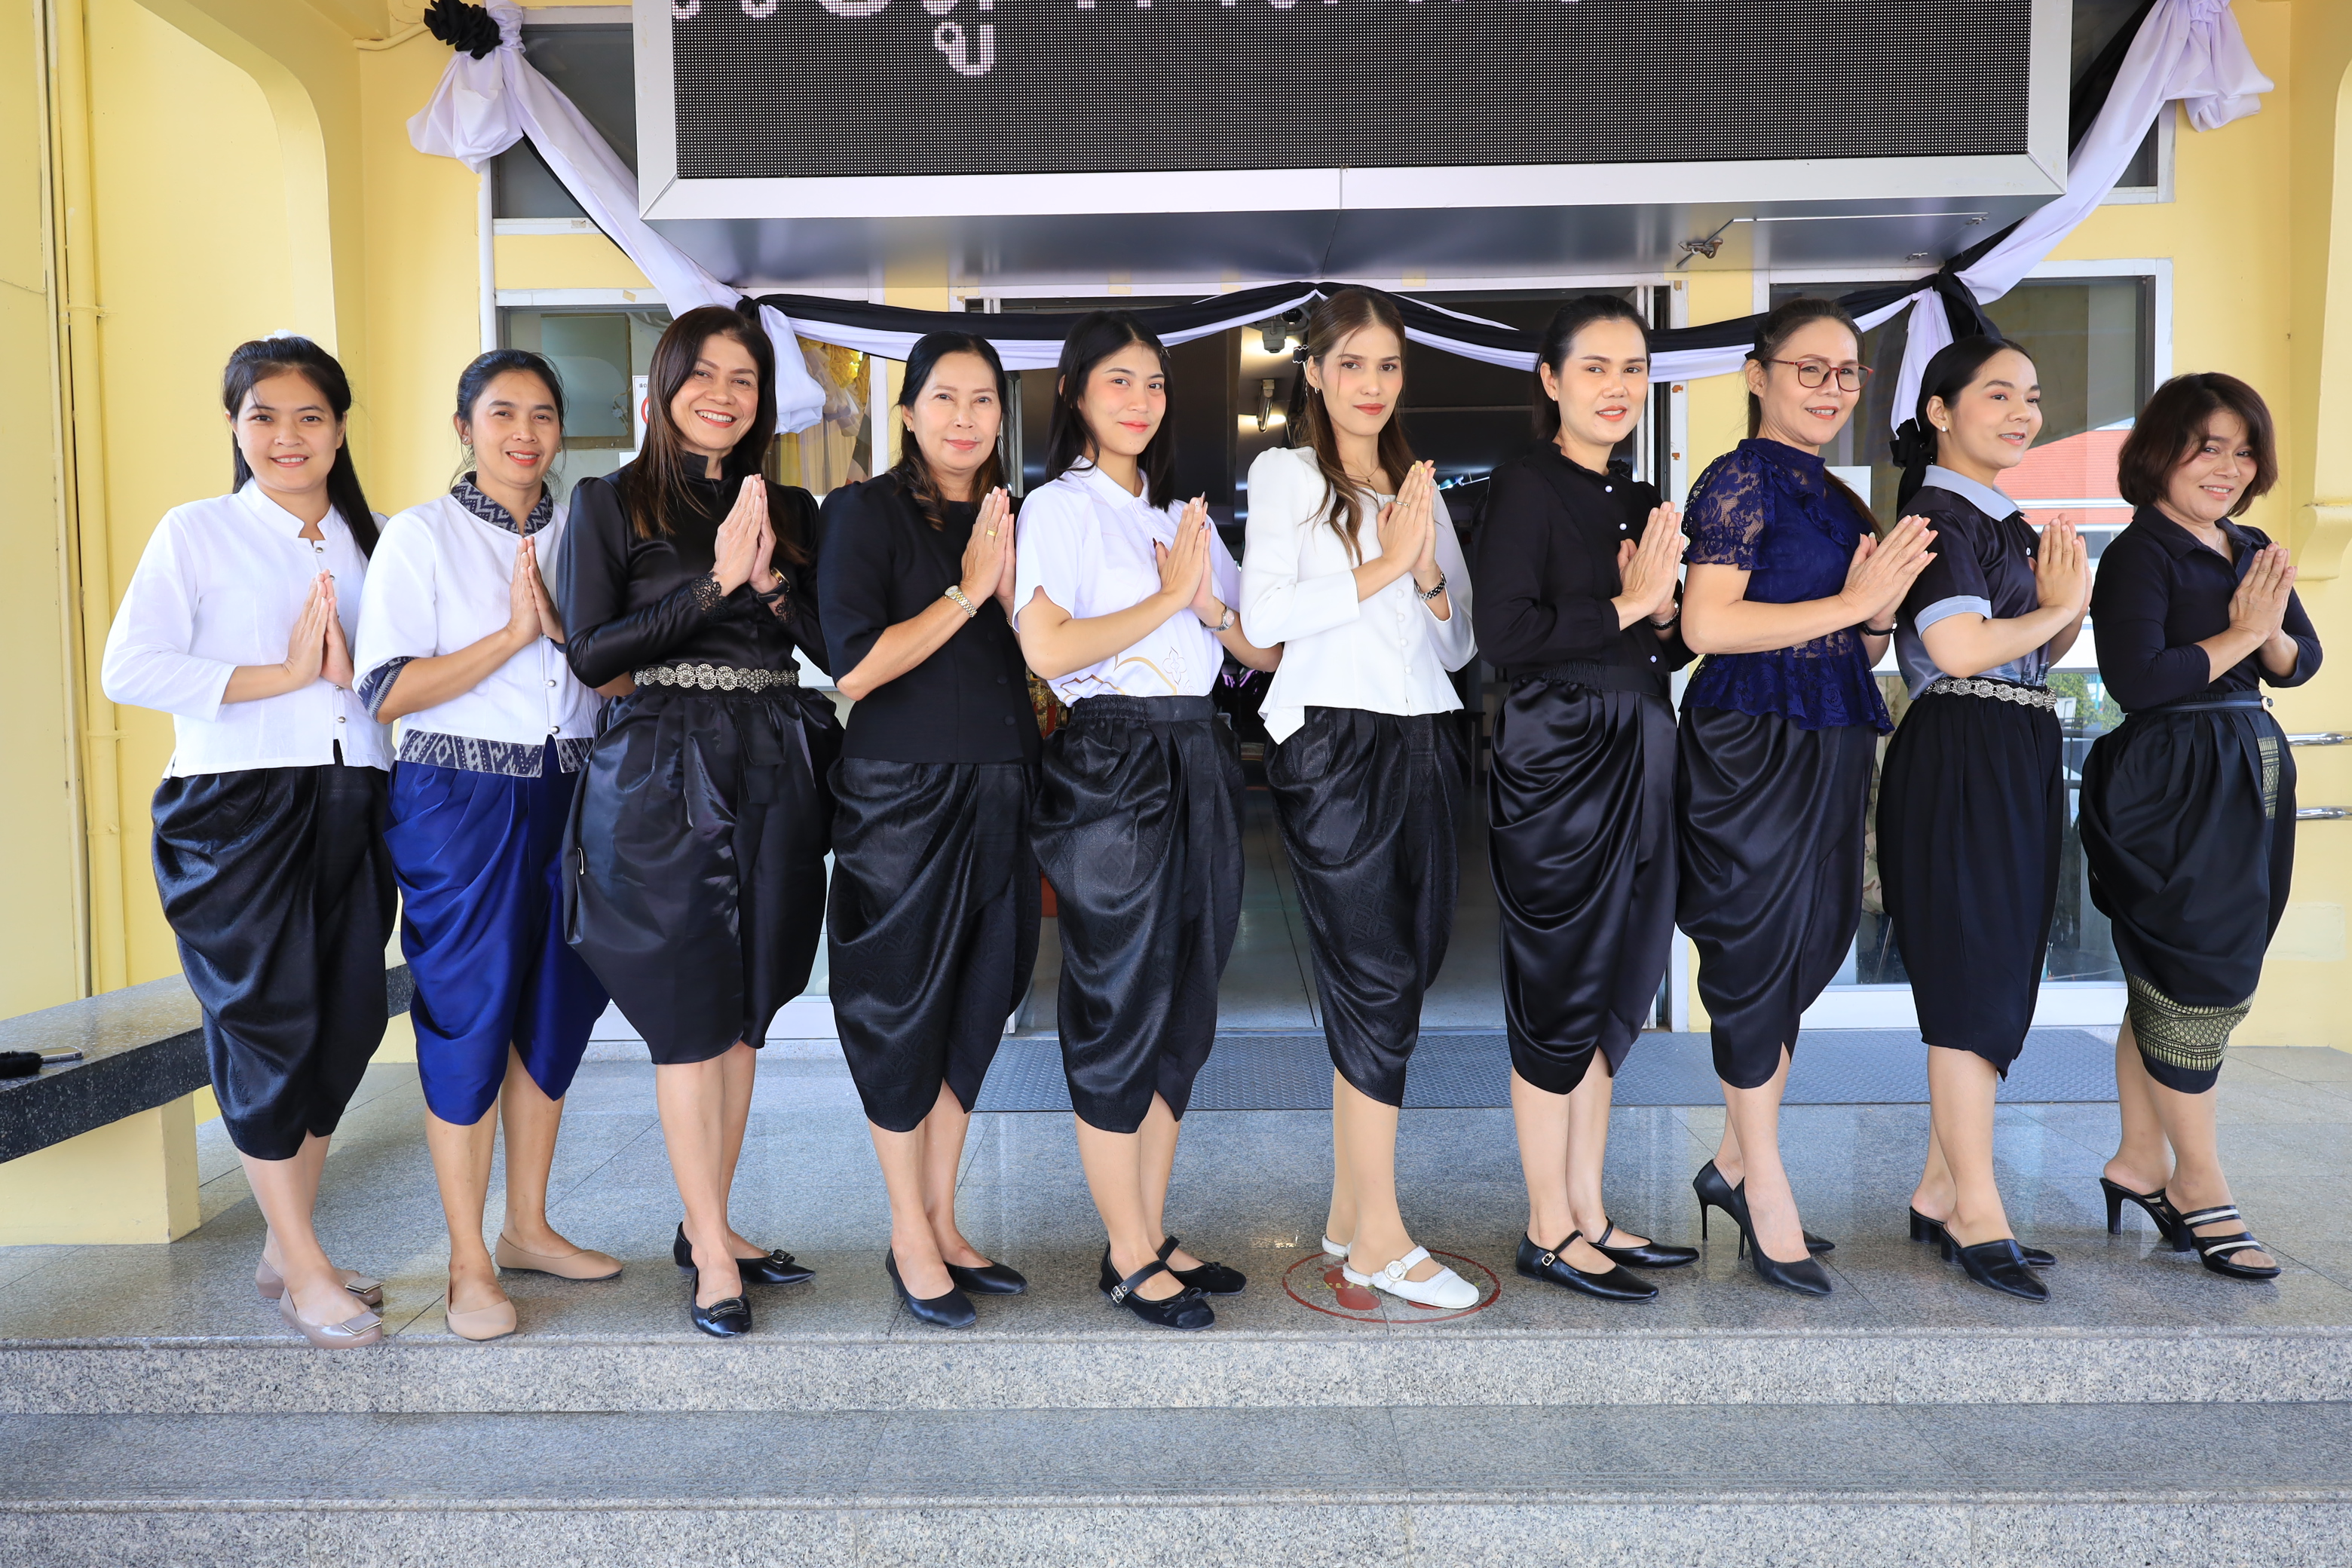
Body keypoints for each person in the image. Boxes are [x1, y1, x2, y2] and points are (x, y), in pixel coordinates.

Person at [100, 335, 397, 1349]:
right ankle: (304, 1268)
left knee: (347, 1022)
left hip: (356, 797)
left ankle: (284, 1245)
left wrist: (361, 678)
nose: (286, 436)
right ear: (235, 426)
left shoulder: (370, 539)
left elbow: (391, 679)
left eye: (309, 416)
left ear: (340, 429)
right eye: (263, 416)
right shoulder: (198, 532)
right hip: (234, 807)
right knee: (268, 1030)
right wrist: (282, 677)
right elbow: (129, 667)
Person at [557, 303, 838, 1338]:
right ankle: (713, 1250)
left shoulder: (792, 508)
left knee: (750, 1003)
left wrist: (772, 587)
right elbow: (592, 653)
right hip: (662, 765)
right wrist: (715, 581)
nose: (724, 395)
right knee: (688, 1014)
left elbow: (835, 647)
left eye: (745, 379)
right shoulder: (610, 501)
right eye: (704, 375)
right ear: (664, 387)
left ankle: (705, 1219)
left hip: (773, 756)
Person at [1012, 311, 1281, 1330]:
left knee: (1184, 1004)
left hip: (1199, 750)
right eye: (1118, 380)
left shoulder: (1180, 516)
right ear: (1076, 393)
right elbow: (1047, 647)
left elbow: (1262, 650)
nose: (1140, 400)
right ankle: (1126, 1252)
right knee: (1119, 998)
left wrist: (1205, 604)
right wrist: (1168, 597)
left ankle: (1150, 1230)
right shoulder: (1059, 508)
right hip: (1113, 755)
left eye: (1155, 383)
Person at [355, 350, 620, 1343]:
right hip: (460, 798)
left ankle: (528, 1226)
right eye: (502, 412)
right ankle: (468, 1259)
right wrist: (515, 636)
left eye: (543, 414)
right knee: (468, 1016)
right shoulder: (419, 537)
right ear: (464, 427)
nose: (525, 432)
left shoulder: (587, 532)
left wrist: (572, 635)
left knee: (558, 1005)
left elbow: (615, 667)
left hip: (575, 789)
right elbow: (387, 691)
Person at [1677, 297, 1937, 1297]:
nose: (1832, 388)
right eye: (1809, 369)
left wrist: (1874, 615)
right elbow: (1707, 624)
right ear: (1759, 376)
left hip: (1831, 733)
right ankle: (1766, 1181)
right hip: (1751, 742)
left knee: (1812, 943)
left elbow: (1855, 644)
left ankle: (1732, 1164)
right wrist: (1852, 602)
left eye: (1847, 372)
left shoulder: (1838, 494)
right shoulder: (1739, 478)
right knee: (1754, 951)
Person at [1239, 288, 1480, 1312]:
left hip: (1426, 735)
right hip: (1335, 741)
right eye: (1350, 364)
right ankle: (1381, 1239)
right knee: (1375, 976)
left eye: (1387, 365)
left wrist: (1424, 574)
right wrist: (1386, 563)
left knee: (1400, 972)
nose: (1370, 384)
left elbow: (1458, 642)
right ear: (1314, 373)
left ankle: (1348, 1211)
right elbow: (1263, 615)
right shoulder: (1288, 475)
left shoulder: (1418, 486)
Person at [1472, 296, 1698, 1306]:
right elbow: (1505, 635)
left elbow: (1655, 643)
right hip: (1560, 748)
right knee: (1559, 984)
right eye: (1596, 367)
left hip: (1644, 738)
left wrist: (1667, 618)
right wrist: (1629, 603)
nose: (1617, 387)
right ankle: (1546, 1224)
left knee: (1618, 986)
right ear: (1551, 380)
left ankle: (1590, 1211)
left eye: (1632, 369)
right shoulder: (1523, 486)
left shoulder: (1642, 497)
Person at [819, 332, 1039, 1331]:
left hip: (1004, 786)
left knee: (978, 1005)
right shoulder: (863, 514)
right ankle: (907, 1229)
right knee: (899, 1010)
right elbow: (856, 667)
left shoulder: (1010, 513)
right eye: (944, 397)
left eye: (983, 399)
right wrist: (968, 590)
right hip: (901, 797)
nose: (964, 417)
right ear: (907, 413)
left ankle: (944, 1220)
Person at [2081, 372, 2319, 1282]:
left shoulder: (2251, 545)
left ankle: (2138, 1160)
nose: (2228, 466)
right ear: (2161, 451)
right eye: (2207, 446)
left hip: (2249, 770)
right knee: (2196, 974)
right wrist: (2244, 633)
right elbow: (2136, 680)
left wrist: (2268, 631)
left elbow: (2300, 657)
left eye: (2243, 450)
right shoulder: (2138, 554)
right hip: (2171, 779)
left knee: (2177, 973)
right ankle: (2200, 1182)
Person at [1876, 337, 2090, 1302]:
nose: (2021, 413)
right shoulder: (1938, 515)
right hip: (1963, 747)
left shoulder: (2003, 520)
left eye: (2031, 397)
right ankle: (1977, 1206)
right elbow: (1961, 648)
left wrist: (2063, 608)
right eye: (1998, 394)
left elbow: (2037, 646)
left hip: (2016, 744)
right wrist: (2058, 607)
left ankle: (1938, 1187)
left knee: (1999, 973)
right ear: (1940, 410)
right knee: (1971, 979)